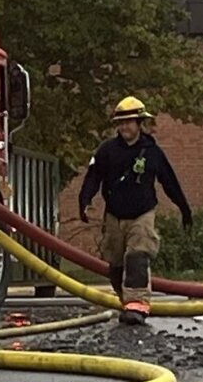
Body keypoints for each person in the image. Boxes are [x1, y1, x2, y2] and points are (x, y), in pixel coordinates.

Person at [78, 96, 193, 324]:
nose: (123, 127)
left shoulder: (152, 152)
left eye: (128, 122)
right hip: (114, 215)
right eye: (120, 123)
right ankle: (127, 302)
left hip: (142, 213)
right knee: (116, 265)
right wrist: (84, 201)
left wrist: (184, 209)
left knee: (137, 256)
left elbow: (169, 182)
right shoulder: (106, 151)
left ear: (140, 123)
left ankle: (138, 306)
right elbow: (93, 178)